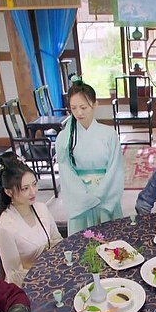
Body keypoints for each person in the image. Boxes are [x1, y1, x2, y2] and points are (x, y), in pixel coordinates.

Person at [55, 77, 124, 234]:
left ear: (95, 104)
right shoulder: (64, 138)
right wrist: (84, 198)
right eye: (73, 108)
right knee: (83, 243)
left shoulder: (109, 134)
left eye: (83, 107)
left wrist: (99, 195)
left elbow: (115, 169)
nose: (79, 113)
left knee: (110, 240)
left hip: (105, 196)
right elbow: (66, 173)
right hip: (80, 199)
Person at [0, 152, 62, 286]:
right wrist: (43, 272)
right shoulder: (5, 227)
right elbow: (15, 274)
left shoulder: (41, 208)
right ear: (8, 192)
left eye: (34, 184)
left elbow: (57, 240)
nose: (33, 191)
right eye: (25, 188)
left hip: (53, 273)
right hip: (28, 284)